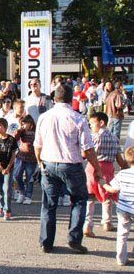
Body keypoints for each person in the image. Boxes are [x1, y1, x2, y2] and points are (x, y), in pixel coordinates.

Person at [34, 84, 103, 254]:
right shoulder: (78, 118)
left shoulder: (44, 117)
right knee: (79, 200)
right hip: (71, 165)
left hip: (49, 163)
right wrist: (97, 168)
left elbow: (38, 144)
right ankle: (74, 238)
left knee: (49, 205)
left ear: (54, 98)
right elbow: (87, 148)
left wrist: (39, 162)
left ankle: (46, 242)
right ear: (71, 98)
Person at [83, 112, 127, 237]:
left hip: (93, 167)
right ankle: (107, 222)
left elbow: (87, 153)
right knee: (107, 196)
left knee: (90, 197)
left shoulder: (94, 137)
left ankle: (88, 225)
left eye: (92, 123)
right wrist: (127, 168)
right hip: (108, 168)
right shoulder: (114, 138)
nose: (90, 126)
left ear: (101, 123)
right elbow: (120, 160)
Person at [100, 146, 134, 266]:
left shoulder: (122, 174)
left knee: (122, 234)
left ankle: (121, 258)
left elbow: (113, 190)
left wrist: (103, 184)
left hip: (124, 208)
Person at [0, 118, 17, 220]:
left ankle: (7, 210)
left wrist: (8, 167)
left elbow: (13, 155)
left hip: (8, 168)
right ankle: (0, 207)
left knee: (7, 189)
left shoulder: (11, 140)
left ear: (5, 127)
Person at [13, 115, 38, 204]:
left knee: (29, 177)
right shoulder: (21, 132)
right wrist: (19, 130)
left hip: (32, 159)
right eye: (21, 124)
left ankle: (28, 196)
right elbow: (15, 138)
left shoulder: (36, 132)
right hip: (21, 157)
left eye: (24, 124)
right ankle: (21, 192)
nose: (23, 126)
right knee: (16, 175)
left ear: (30, 124)